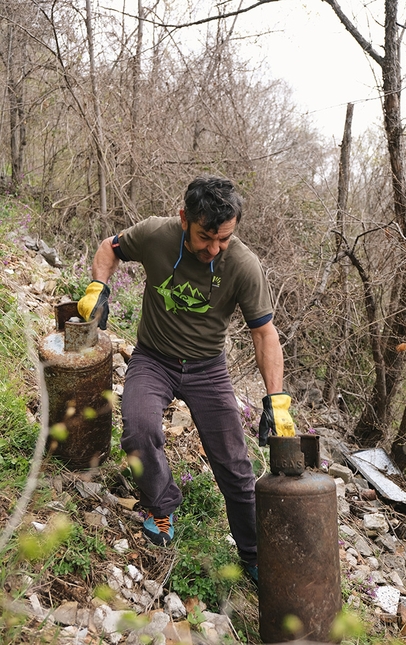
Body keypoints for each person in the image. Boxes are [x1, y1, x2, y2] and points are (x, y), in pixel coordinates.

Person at [78, 175, 294, 584]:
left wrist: (277, 400)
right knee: (139, 430)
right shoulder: (157, 234)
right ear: (184, 219)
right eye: (205, 238)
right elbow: (111, 247)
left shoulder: (244, 266)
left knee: (236, 467)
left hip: (208, 370)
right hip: (153, 358)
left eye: (224, 240)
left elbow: (265, 333)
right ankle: (161, 506)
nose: (214, 249)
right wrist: (97, 285)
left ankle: (253, 554)